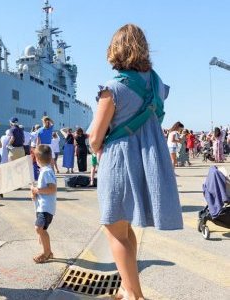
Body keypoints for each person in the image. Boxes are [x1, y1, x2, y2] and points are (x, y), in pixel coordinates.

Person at [90, 24, 183, 300]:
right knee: (126, 227)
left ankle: (135, 296)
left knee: (113, 228)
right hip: (148, 157)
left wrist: (95, 146)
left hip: (119, 159)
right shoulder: (156, 83)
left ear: (115, 49)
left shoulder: (112, 88)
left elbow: (95, 137)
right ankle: (130, 289)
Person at [30, 144, 57, 264]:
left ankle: (47, 252)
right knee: (41, 229)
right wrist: (35, 193)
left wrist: (37, 190)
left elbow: (52, 189)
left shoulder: (47, 172)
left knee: (39, 228)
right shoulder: (45, 171)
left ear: (37, 159)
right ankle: (48, 252)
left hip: (46, 208)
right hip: (42, 207)